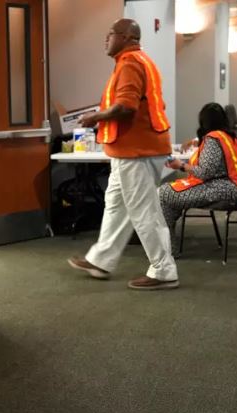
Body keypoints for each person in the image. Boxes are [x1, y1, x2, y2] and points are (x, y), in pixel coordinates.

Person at [67, 18, 178, 291]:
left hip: (136, 150)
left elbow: (125, 107)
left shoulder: (130, 63)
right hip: (131, 150)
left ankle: (164, 270)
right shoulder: (139, 61)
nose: (106, 39)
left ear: (128, 37)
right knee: (116, 205)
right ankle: (102, 259)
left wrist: (94, 117)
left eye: (111, 34)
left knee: (144, 212)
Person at [159, 103, 237, 248]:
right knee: (168, 196)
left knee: (163, 193)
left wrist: (181, 165)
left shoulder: (212, 139)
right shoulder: (227, 136)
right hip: (233, 187)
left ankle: (168, 247)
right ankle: (167, 245)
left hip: (222, 189)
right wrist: (195, 141)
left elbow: (205, 173)